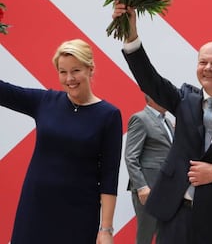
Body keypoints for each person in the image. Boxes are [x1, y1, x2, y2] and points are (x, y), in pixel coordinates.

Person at [112, 1, 212, 244]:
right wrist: (131, 34)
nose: (207, 68)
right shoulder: (184, 100)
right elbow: (150, 80)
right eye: (202, 62)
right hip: (175, 214)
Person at [0, 39, 123, 244]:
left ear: (90, 69)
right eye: (62, 72)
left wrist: (106, 229)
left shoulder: (109, 115)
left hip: (79, 216)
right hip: (35, 209)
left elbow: (110, 176)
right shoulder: (45, 101)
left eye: (75, 70)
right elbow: (4, 92)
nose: (69, 79)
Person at [125, 94, 174, 244]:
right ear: (152, 97)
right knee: (145, 236)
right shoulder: (140, 118)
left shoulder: (167, 120)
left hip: (166, 188)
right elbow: (130, 156)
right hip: (148, 190)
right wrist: (141, 187)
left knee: (165, 234)